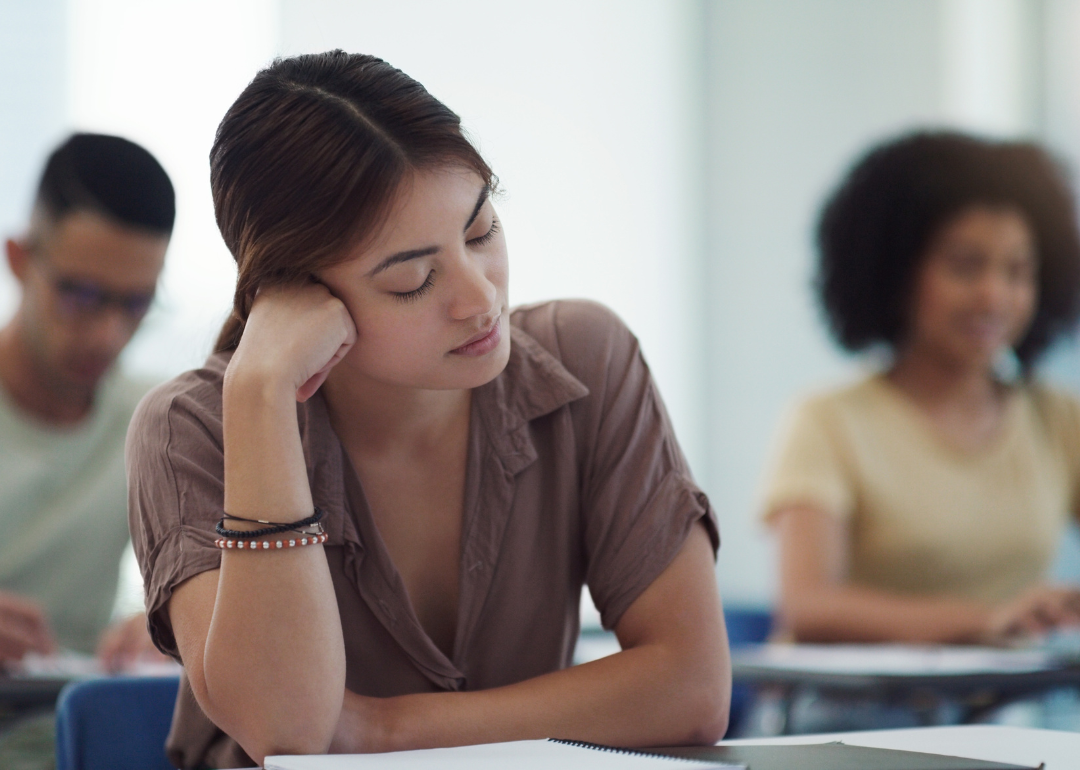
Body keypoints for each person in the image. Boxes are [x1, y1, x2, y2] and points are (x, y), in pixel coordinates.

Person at [126, 51, 729, 768]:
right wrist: (261, 394)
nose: (481, 299)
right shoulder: (193, 428)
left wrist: (383, 732)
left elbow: (691, 689)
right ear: (297, 295)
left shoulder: (585, 359)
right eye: (413, 280)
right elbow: (286, 731)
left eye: (482, 232)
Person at [762, 131, 1080, 650]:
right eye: (965, 266)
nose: (994, 294)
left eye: (1018, 271)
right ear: (896, 272)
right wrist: (989, 619)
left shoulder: (1059, 418)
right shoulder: (827, 420)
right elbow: (809, 606)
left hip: (1004, 715)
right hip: (851, 716)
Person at [0, 132, 174, 765]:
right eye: (80, 295)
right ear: (19, 259)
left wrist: (180, 622)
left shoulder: (154, 421)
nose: (107, 333)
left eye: (135, 304)